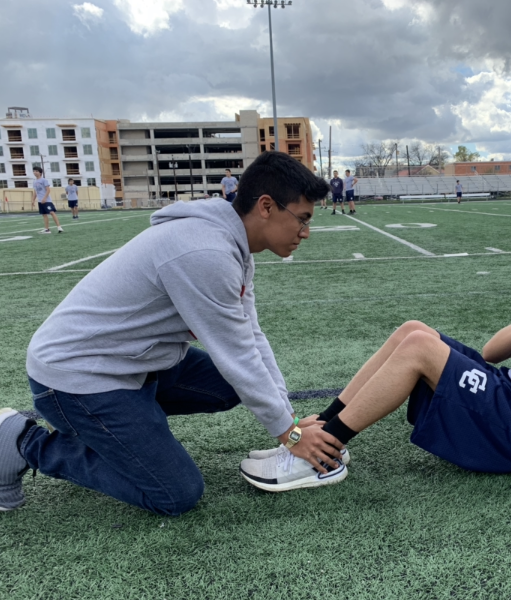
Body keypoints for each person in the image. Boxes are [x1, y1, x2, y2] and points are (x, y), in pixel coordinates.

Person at [0, 152, 343, 515]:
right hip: (77, 377)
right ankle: (22, 441)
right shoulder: (205, 250)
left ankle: (115, 429)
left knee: (231, 387)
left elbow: (251, 337)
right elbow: (238, 356)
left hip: (132, 362)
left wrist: (288, 422)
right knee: (176, 493)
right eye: (302, 219)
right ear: (266, 206)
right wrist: (290, 437)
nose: (305, 232)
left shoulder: (233, 246)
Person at [241, 188, 511, 490]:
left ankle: (318, 457)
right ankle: (323, 429)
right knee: (414, 331)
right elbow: (491, 352)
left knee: (420, 349)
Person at [32, 167, 63, 234]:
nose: (35, 172)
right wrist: (33, 200)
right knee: (44, 214)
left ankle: (59, 227)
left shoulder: (44, 180)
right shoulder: (34, 182)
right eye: (34, 171)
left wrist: (44, 198)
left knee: (51, 212)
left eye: (36, 171)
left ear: (40, 172)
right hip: (40, 201)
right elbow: (35, 192)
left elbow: (48, 190)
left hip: (47, 200)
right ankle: (47, 229)